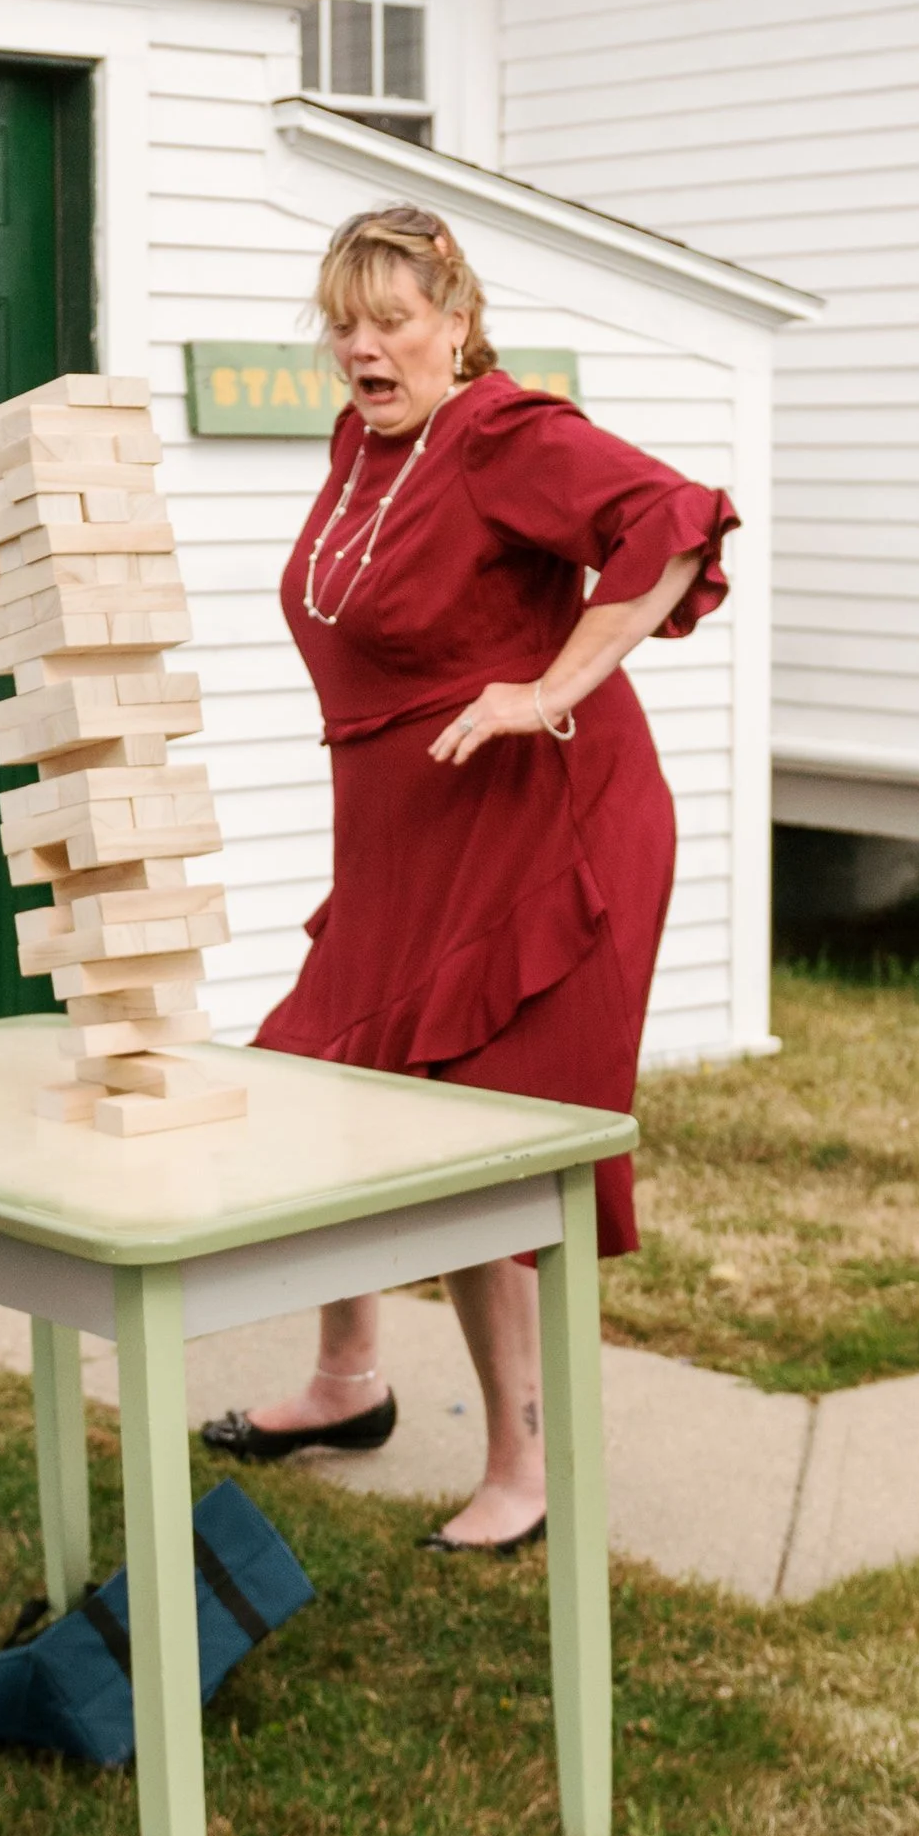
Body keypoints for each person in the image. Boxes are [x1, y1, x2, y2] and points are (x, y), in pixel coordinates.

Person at [200, 207, 737, 1551]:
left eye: (390, 320)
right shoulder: (365, 443)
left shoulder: (503, 433)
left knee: (482, 1150)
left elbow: (672, 524)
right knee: (331, 1079)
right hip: (409, 838)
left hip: (547, 830)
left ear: (457, 319)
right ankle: (347, 1384)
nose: (362, 348)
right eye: (343, 323)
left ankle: (525, 1465)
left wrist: (548, 689)